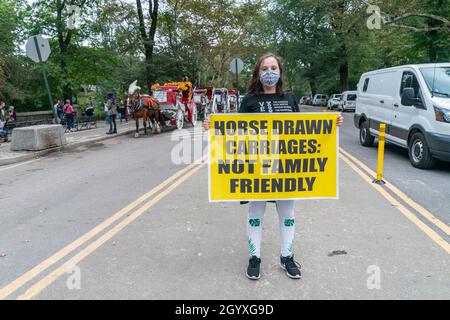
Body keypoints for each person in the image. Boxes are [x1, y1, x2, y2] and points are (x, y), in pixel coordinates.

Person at [203, 53, 344, 281]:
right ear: (258, 73)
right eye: (265, 68)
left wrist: (332, 124)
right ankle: (254, 257)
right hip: (258, 167)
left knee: (286, 213)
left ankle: (287, 257)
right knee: (256, 212)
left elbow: (304, 130)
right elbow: (236, 133)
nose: (269, 72)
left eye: (273, 67)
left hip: (287, 167)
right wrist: (213, 125)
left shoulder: (289, 98)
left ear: (280, 72)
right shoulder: (249, 101)